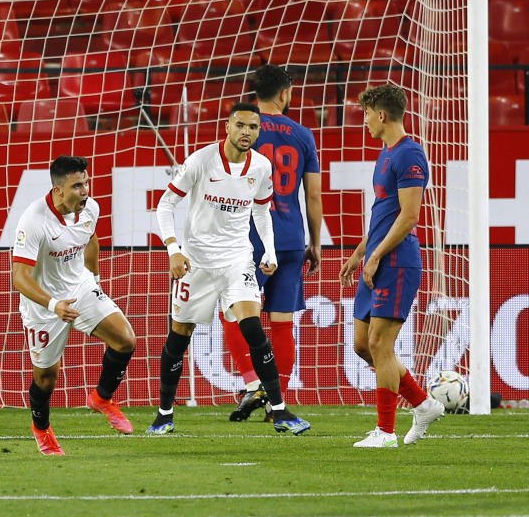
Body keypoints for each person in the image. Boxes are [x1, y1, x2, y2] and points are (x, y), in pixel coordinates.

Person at [152, 103, 311, 435]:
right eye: (240, 125)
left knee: (252, 326)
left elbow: (262, 212)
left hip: (238, 258)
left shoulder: (262, 167)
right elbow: (166, 204)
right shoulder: (201, 161)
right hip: (196, 262)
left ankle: (279, 411)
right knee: (179, 338)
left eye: (253, 127)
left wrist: (268, 249)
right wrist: (172, 249)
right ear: (227, 126)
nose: (246, 132)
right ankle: (164, 413)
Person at [11, 155, 139, 456]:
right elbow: (19, 277)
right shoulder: (34, 221)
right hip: (43, 303)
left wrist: (93, 279)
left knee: (125, 340)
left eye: (86, 183)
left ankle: (102, 398)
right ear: (58, 190)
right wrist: (54, 304)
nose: (85, 191)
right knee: (46, 378)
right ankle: (41, 429)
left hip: (80, 288)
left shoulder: (89, 208)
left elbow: (90, 239)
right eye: (77, 185)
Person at [339, 85, 445, 448]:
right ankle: (423, 403)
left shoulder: (410, 154)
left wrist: (377, 255)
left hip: (397, 262)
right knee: (361, 345)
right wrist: (360, 251)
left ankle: (385, 432)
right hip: (377, 256)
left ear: (381, 115)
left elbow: (409, 217)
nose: (365, 120)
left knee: (380, 344)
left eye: (367, 114)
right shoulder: (385, 153)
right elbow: (383, 214)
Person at [224, 65, 323, 422]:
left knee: (233, 313)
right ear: (285, 93)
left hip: (247, 237)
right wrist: (315, 241)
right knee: (282, 321)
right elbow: (312, 194)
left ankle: (253, 383)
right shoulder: (303, 135)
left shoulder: (244, 130)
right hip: (292, 238)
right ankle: (274, 401)